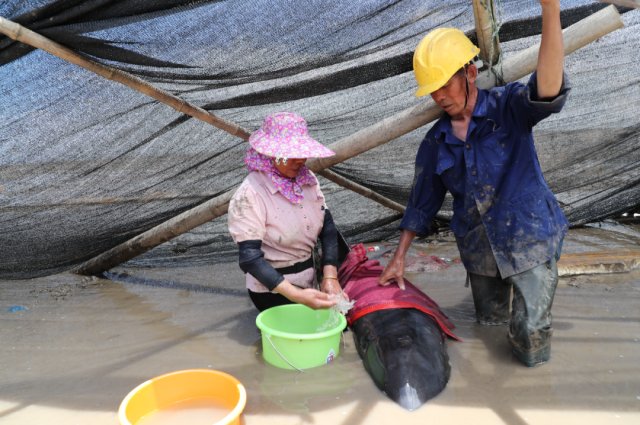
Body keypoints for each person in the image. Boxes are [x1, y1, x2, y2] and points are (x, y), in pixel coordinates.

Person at [379, 0, 569, 367]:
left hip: (528, 235)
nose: (438, 96)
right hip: (479, 248)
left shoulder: (507, 108)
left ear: (468, 73)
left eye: (443, 85)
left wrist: (551, 9)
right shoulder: (436, 142)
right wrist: (398, 258)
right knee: (490, 325)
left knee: (529, 333)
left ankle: (531, 393)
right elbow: (421, 203)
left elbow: (548, 87)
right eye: (432, 90)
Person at [228, 111, 345, 312]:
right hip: (272, 289)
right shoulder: (251, 194)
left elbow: (328, 229)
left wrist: (330, 277)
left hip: (309, 278)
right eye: (290, 154)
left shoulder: (307, 181)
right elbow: (250, 259)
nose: (299, 160)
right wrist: (296, 295)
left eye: (301, 152)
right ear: (270, 154)